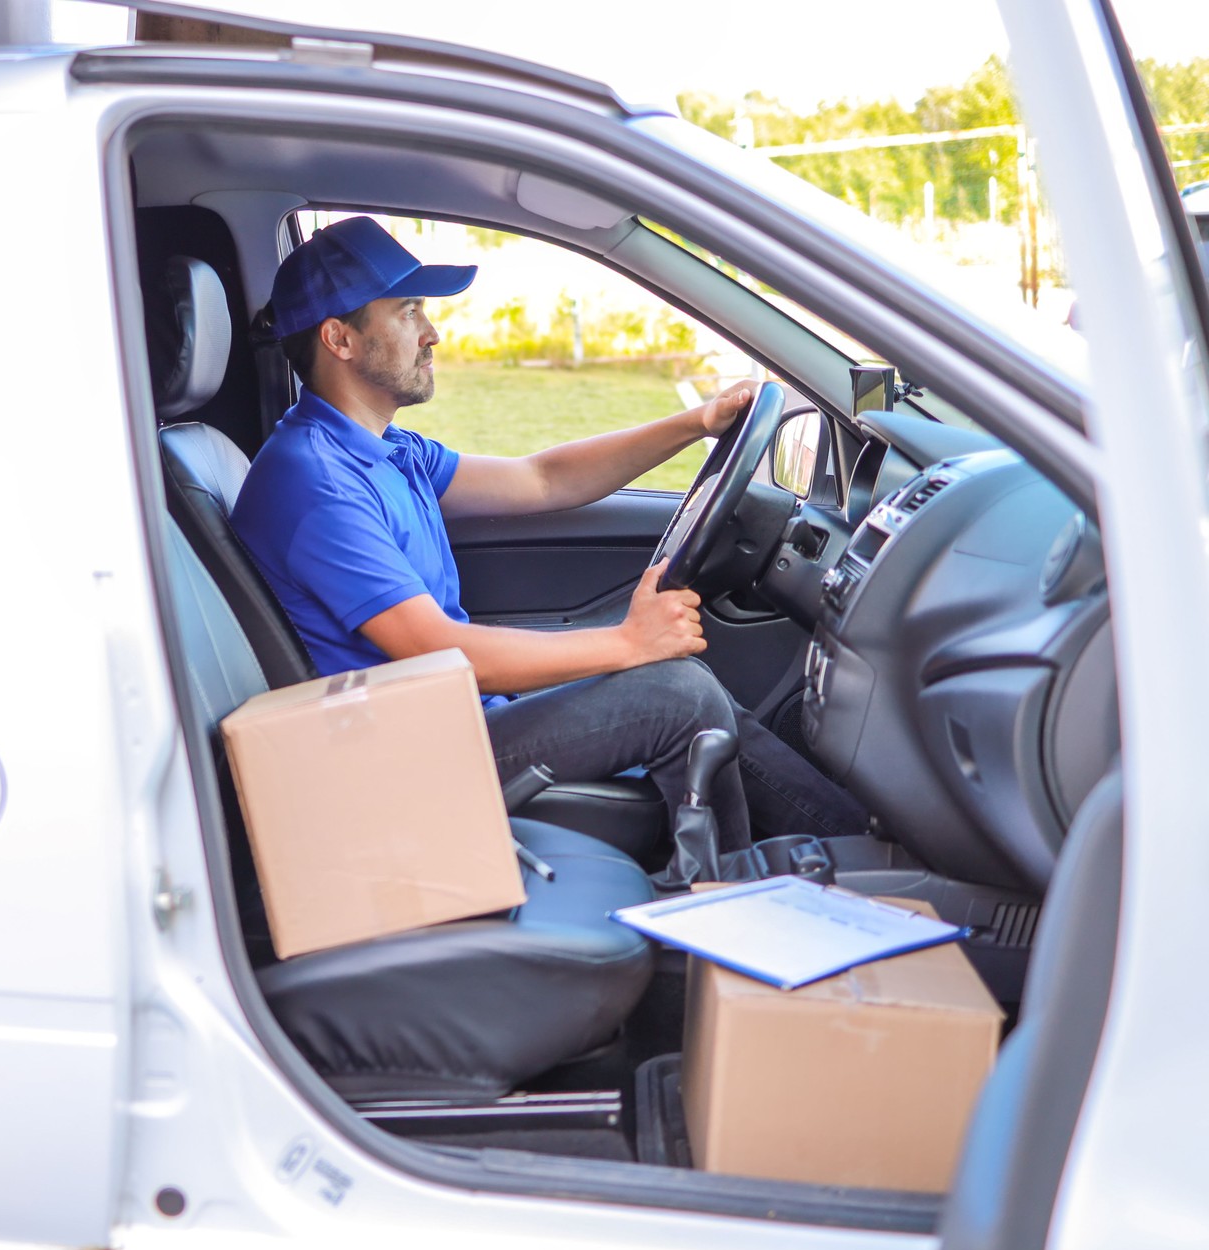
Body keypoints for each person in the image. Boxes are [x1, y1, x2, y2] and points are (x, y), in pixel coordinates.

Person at [230, 216, 866, 850]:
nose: (433, 333)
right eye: (407, 312)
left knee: (687, 678)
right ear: (339, 338)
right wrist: (627, 643)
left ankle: (851, 849)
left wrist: (696, 421)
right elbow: (434, 647)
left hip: (444, 716)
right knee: (680, 695)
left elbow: (542, 479)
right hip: (407, 754)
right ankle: (744, 897)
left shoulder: (383, 449)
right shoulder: (317, 482)